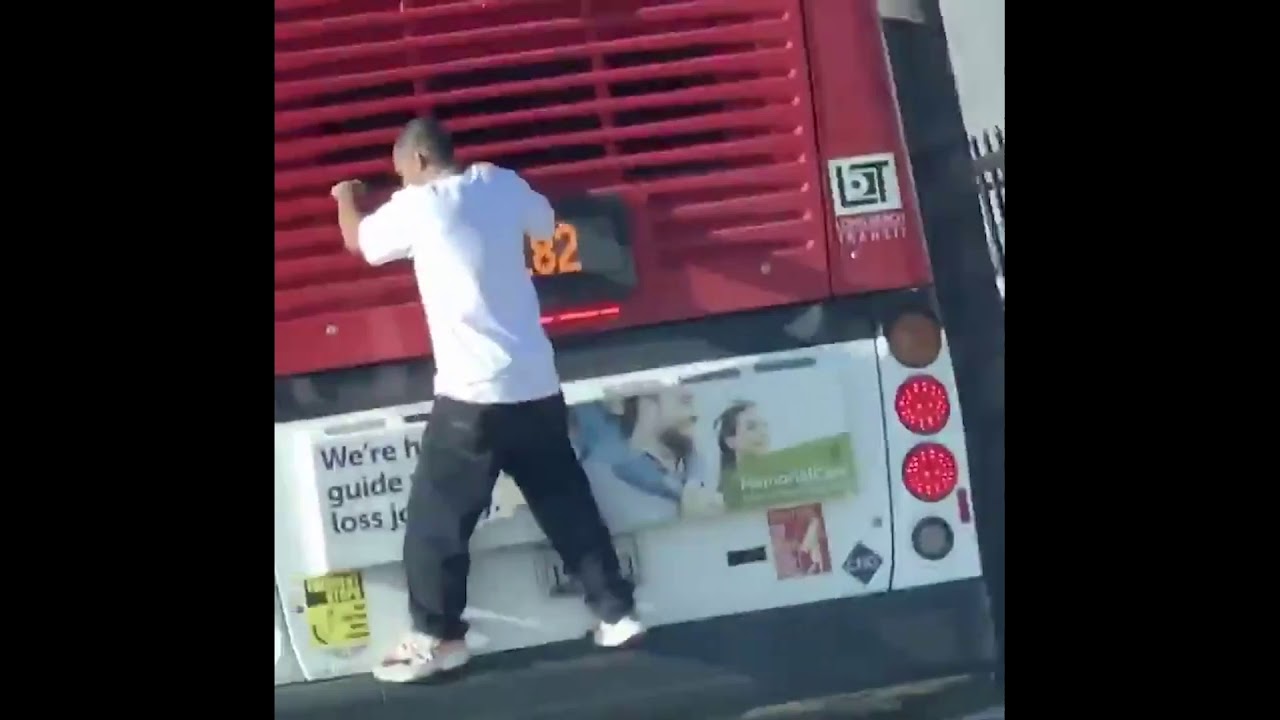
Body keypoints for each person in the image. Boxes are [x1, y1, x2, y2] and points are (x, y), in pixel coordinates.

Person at [330, 115, 642, 683]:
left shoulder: (419, 206)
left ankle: (437, 636)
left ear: (420, 162)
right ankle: (616, 613)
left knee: (436, 522)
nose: (399, 181)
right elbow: (546, 227)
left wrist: (345, 197)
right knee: (565, 503)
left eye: (401, 170)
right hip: (537, 385)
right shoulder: (500, 184)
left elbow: (359, 243)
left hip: (471, 400)